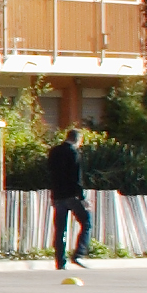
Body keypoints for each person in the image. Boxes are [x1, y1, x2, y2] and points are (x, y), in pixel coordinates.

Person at [43, 116, 91, 280]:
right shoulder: (74, 153)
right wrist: (82, 196)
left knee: (60, 229)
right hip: (71, 195)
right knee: (86, 222)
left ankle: (60, 261)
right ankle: (79, 253)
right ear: (78, 140)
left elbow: (50, 172)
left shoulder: (54, 151)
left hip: (57, 195)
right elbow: (76, 177)